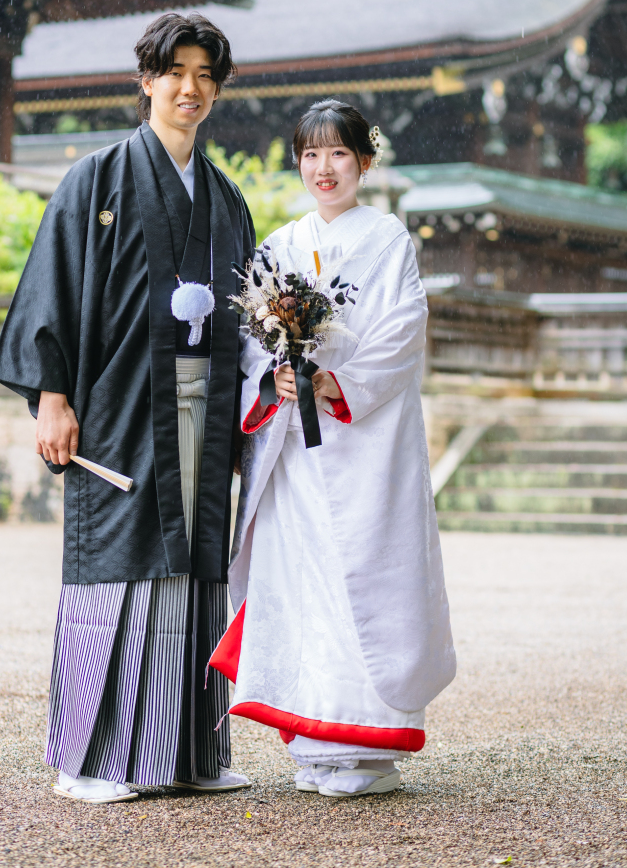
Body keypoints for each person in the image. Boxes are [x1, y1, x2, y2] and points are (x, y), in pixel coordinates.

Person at [0, 12, 255, 803]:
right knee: (116, 565)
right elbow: (53, 289)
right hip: (120, 406)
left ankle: (188, 755)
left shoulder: (226, 197)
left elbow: (249, 313)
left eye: (205, 76)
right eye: (175, 72)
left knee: (195, 572)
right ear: (147, 81)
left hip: (202, 411)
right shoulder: (96, 180)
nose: (190, 89)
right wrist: (52, 396)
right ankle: (86, 760)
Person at [210, 98, 456, 798]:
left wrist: (334, 382)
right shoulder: (279, 246)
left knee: (364, 583)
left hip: (364, 443)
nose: (324, 168)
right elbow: (250, 342)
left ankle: (366, 750)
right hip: (295, 451)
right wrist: (278, 375)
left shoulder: (388, 239)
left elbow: (403, 330)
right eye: (311, 154)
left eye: (339, 153)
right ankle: (313, 743)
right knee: (300, 582)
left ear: (364, 162)